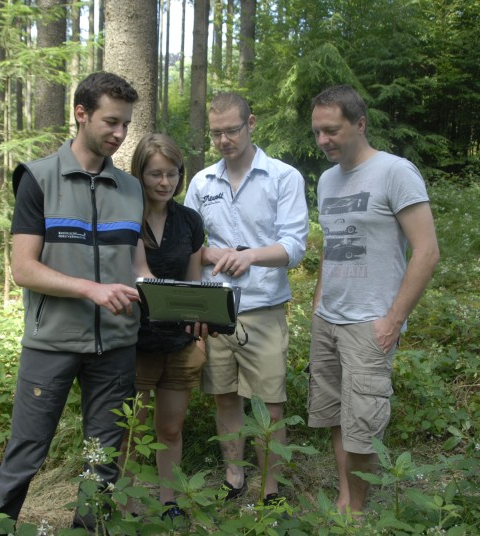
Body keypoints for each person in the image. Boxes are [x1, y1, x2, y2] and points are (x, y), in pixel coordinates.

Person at [0, 72, 151, 531]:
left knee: (102, 461)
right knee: (26, 453)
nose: (119, 134)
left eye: (125, 125)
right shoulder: (38, 179)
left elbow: (138, 265)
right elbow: (24, 268)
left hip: (117, 345)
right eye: (111, 122)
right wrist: (91, 289)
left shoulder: (131, 188)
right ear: (81, 114)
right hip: (52, 342)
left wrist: (180, 298)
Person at [308, 85, 440, 516]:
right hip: (329, 316)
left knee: (362, 420)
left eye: (332, 130)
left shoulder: (395, 172)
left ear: (360, 124)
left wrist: (393, 319)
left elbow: (426, 251)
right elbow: (333, 245)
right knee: (334, 414)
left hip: (371, 321)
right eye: (317, 132)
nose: (323, 140)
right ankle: (347, 496)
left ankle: (356, 511)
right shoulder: (327, 180)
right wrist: (317, 302)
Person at [183, 92, 309, 505]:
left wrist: (251, 255)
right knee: (224, 397)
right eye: (216, 133)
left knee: (269, 403)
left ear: (251, 123)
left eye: (232, 130)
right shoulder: (202, 182)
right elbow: (185, 244)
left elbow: (294, 246)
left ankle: (271, 487)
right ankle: (234, 476)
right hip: (215, 308)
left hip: (263, 306)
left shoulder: (282, 177)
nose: (223, 140)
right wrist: (210, 253)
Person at [122, 133, 207, 522]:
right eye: (156, 174)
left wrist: (199, 329)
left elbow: (192, 286)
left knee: (170, 430)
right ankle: (121, 505)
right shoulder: (123, 218)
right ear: (139, 173)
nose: (164, 182)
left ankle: (169, 502)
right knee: (129, 433)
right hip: (133, 344)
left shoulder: (189, 221)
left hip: (179, 345)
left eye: (172, 174)